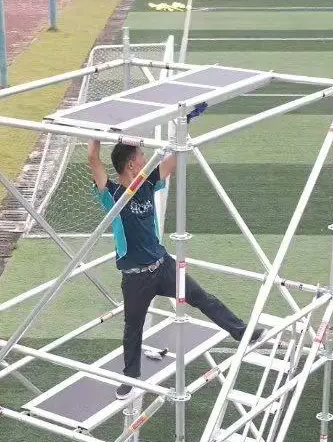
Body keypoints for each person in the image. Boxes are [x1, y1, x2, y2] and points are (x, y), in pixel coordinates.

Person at [87, 139, 248, 399]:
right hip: (135, 279)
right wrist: (94, 136)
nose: (145, 158)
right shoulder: (112, 195)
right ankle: (131, 377)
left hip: (163, 267)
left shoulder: (148, 181)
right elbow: (94, 160)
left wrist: (185, 128)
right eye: (141, 155)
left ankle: (241, 332)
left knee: (201, 297)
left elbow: (173, 161)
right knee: (133, 329)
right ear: (131, 164)